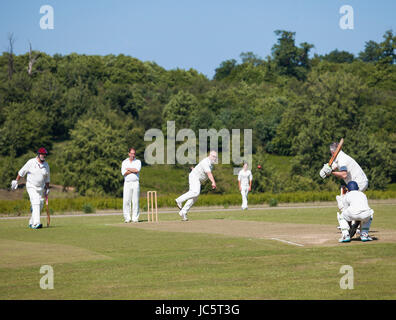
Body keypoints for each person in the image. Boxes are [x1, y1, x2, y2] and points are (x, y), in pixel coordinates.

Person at [11, 148, 50, 229]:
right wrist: (16, 180)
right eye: (42, 154)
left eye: (44, 154)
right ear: (38, 154)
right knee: (36, 201)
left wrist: (47, 188)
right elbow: (22, 172)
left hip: (40, 188)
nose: (43, 156)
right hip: (31, 186)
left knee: (40, 203)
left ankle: (31, 221)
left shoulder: (46, 165)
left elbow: (47, 178)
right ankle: (36, 223)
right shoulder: (31, 162)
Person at [175, 151, 218, 221]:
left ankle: (183, 212)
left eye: (216, 157)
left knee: (195, 197)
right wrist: (213, 182)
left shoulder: (211, 165)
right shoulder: (206, 162)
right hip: (194, 177)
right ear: (209, 156)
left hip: (197, 179)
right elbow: (209, 174)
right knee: (195, 192)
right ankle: (179, 200)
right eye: (213, 156)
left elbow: (201, 170)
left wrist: (195, 169)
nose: (215, 158)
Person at [121, 148, 141, 223]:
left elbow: (137, 170)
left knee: (135, 201)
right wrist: (132, 170)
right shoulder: (124, 162)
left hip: (135, 182)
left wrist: (129, 169)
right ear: (129, 154)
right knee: (126, 201)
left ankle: (135, 218)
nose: (133, 155)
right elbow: (124, 173)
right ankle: (127, 218)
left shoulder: (138, 161)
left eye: (134, 153)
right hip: (127, 182)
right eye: (131, 153)